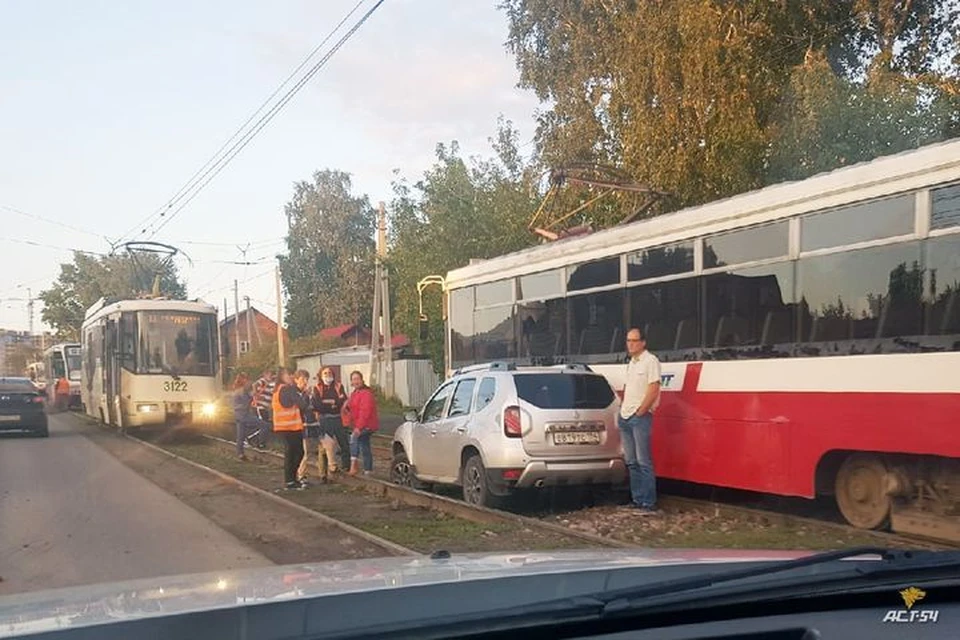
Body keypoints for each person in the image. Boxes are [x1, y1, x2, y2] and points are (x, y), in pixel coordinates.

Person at [619, 327, 662, 514]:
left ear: (643, 343)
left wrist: (641, 411)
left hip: (639, 417)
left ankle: (648, 503)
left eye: (634, 341)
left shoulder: (650, 361)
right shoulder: (632, 363)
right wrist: (624, 413)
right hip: (626, 416)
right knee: (631, 461)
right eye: (628, 340)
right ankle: (637, 500)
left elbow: (654, 388)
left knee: (643, 460)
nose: (630, 344)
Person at [271, 367, 306, 490]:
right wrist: (300, 393)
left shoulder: (276, 390)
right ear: (282, 377)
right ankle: (291, 479)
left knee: (290, 453)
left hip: (281, 426)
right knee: (297, 452)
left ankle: (290, 479)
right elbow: (302, 404)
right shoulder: (288, 389)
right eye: (288, 375)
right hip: (292, 427)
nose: (290, 377)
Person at [312, 367, 348, 478]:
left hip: (337, 418)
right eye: (325, 373)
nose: (328, 375)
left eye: (330, 373)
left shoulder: (338, 386)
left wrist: (328, 402)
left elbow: (343, 400)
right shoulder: (317, 388)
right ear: (321, 375)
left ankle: (346, 467)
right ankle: (323, 473)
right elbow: (317, 405)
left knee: (344, 443)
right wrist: (333, 403)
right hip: (324, 419)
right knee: (324, 447)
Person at [342, 371, 379, 476]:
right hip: (362, 424)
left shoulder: (366, 393)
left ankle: (354, 465)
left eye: (357, 379)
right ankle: (368, 470)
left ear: (362, 380)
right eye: (353, 379)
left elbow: (365, 412)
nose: (356, 381)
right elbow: (350, 409)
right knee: (364, 445)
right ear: (351, 382)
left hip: (367, 425)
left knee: (354, 439)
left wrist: (358, 428)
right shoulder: (354, 393)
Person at [294, 369, 323, 485]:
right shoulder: (295, 394)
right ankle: (300, 474)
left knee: (313, 451)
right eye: (302, 379)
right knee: (304, 453)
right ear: (296, 380)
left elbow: (315, 406)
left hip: (312, 425)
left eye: (306, 379)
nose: (305, 382)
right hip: (301, 426)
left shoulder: (309, 393)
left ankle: (320, 473)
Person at [231, 373, 268, 460]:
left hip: (238, 415)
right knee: (265, 425)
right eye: (247, 379)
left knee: (240, 436)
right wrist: (254, 395)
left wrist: (255, 394)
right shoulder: (242, 390)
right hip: (244, 415)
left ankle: (240, 454)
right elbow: (248, 399)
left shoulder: (236, 390)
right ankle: (260, 443)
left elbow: (251, 396)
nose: (248, 381)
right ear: (244, 380)